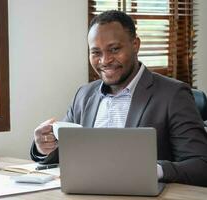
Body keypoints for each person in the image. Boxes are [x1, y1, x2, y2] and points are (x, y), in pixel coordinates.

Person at [30, 10, 207, 187]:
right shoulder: (84, 95)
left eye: (114, 49)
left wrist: (153, 170)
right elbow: (65, 153)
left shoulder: (173, 94)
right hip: (87, 192)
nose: (105, 60)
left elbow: (201, 165)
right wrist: (44, 147)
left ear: (135, 44)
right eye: (96, 52)